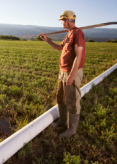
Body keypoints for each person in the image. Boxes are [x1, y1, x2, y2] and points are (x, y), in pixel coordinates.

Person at [40, 10, 85, 139]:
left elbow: (78, 56)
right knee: (60, 97)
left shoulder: (78, 33)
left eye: (62, 21)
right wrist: (47, 40)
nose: (61, 23)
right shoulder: (69, 33)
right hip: (62, 71)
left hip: (72, 72)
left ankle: (71, 129)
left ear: (67, 20)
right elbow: (60, 48)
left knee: (72, 101)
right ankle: (62, 120)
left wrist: (71, 76)